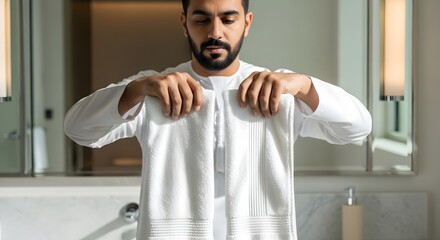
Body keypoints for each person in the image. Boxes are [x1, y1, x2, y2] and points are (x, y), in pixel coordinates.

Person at [64, 0, 372, 238]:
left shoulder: (277, 91)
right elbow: (79, 130)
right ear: (184, 23)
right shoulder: (154, 90)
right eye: (201, 19)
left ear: (246, 22)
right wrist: (136, 89)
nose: (215, 32)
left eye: (228, 18)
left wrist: (304, 85)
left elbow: (357, 129)